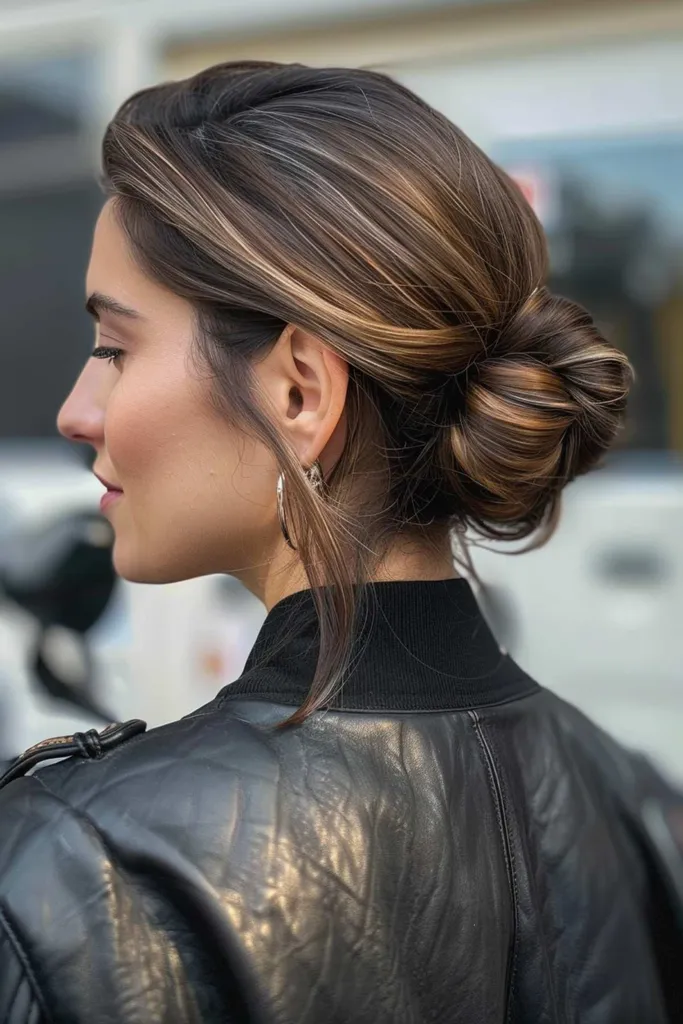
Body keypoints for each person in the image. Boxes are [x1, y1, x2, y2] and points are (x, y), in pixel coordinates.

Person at [0, 61, 681, 1024]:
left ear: (300, 393)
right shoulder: (637, 806)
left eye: (114, 347)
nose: (76, 410)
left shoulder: (74, 873)